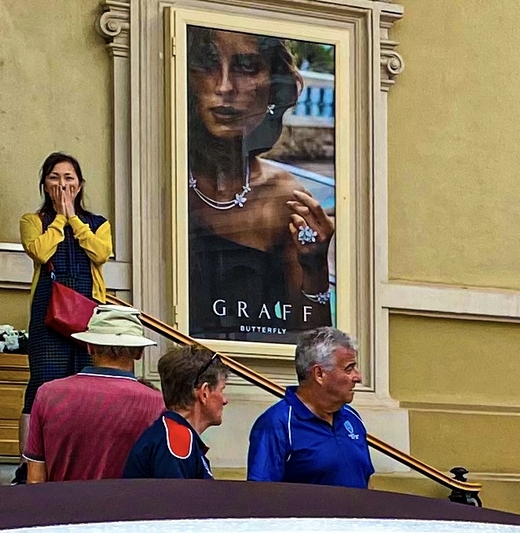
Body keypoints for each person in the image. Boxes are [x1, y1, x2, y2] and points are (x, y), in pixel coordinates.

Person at [185, 28, 333, 345]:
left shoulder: (284, 199)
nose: (224, 87)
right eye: (208, 64)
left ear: (273, 85)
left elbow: (311, 347)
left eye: (246, 67)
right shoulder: (164, 179)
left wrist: (315, 267)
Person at [21, 305, 164, 482]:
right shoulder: (157, 404)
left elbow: (35, 478)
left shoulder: (48, 394)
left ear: (89, 347)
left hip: (61, 507)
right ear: (140, 353)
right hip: (127, 508)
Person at [21, 152, 113, 407]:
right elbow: (40, 252)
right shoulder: (33, 220)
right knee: (44, 384)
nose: (62, 185)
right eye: (54, 178)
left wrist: (74, 218)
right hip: (49, 309)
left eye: (68, 178)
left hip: (88, 309)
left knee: (87, 383)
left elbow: (101, 253)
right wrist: (60, 218)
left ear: (80, 185)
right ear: (44, 185)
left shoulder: (98, 223)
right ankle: (32, 448)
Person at [247, 327, 370, 486]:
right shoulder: (278, 424)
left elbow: (366, 480)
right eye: (349, 368)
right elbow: (261, 495)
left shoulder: (352, 418)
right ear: (319, 374)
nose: (358, 377)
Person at [122, 344, 228, 478]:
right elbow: (176, 498)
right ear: (204, 393)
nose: (225, 400)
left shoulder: (172, 433)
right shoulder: (177, 439)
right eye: (222, 390)